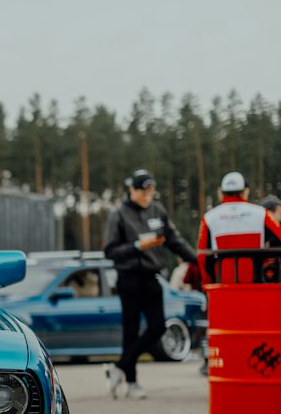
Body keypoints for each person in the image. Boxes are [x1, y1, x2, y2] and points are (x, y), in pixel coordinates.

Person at [103, 168, 198, 399]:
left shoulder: (158, 211)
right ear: (132, 190)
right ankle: (132, 383)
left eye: (150, 192)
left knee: (158, 328)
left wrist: (197, 260)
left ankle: (119, 367)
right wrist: (136, 246)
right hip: (128, 278)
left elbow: (175, 241)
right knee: (131, 331)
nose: (147, 197)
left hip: (152, 277)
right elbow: (110, 251)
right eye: (143, 192)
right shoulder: (119, 214)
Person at [197, 173, 281, 284]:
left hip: (222, 286)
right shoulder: (261, 213)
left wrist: (207, 281)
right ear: (245, 192)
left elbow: (202, 256)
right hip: (255, 285)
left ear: (220, 193)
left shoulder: (209, 217)